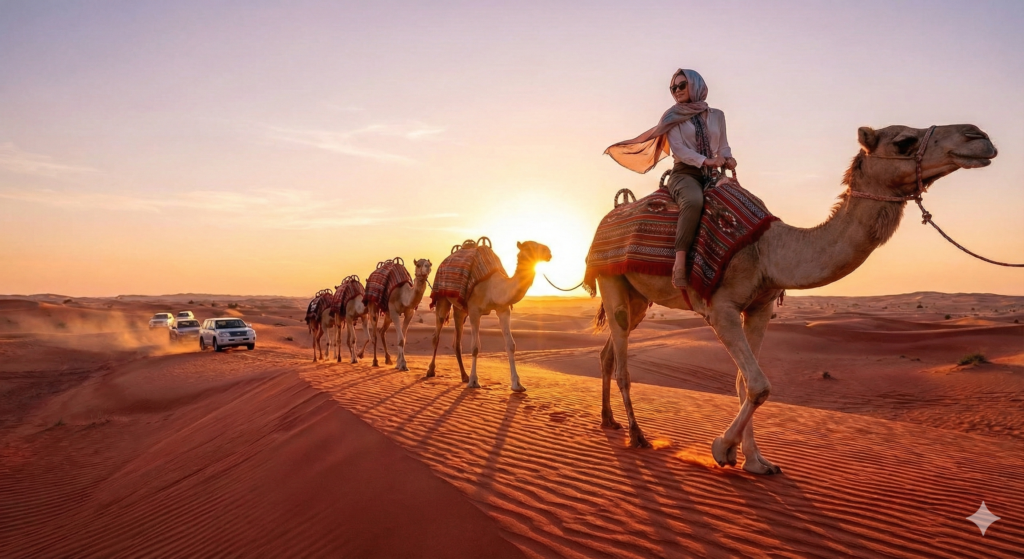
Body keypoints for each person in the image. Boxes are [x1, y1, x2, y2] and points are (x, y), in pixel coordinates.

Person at [605, 69, 736, 288]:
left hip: (712, 173)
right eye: (673, 88)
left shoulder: (717, 115)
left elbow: (723, 145)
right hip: (685, 173)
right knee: (694, 202)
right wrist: (707, 161)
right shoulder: (672, 117)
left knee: (739, 200)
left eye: (681, 86)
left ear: (695, 85)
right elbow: (680, 150)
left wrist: (728, 158)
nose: (676, 91)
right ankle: (680, 263)